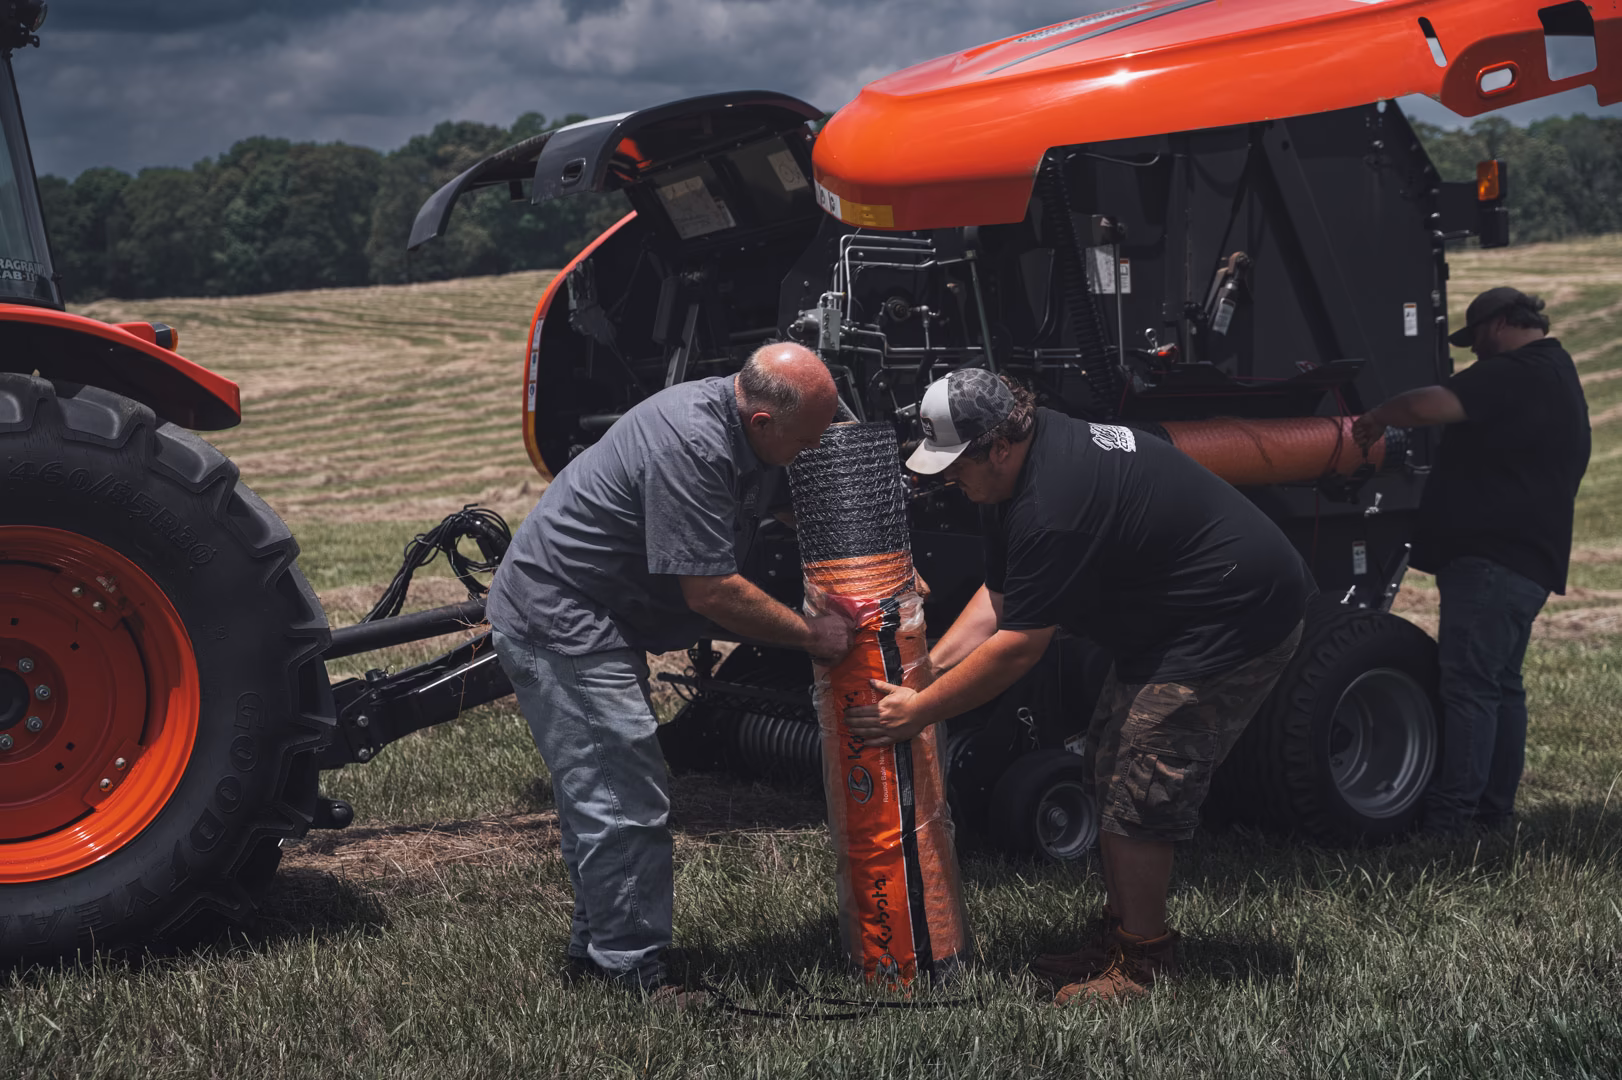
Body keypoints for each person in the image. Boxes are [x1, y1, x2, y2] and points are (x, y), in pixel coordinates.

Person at [845, 368, 1312, 1004]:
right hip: (1169, 622)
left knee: (1141, 780)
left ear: (999, 447)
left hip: (1232, 617)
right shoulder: (1010, 479)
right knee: (1106, 759)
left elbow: (1018, 649)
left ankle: (1145, 965)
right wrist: (927, 669)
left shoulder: (1053, 502)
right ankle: (1120, 936)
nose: (949, 478)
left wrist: (919, 710)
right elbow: (1003, 603)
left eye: (956, 464)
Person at [485, 342, 852, 1000]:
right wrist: (810, 636)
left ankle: (596, 954)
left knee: (600, 792)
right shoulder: (694, 443)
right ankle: (632, 974)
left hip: (597, 612)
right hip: (561, 614)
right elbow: (711, 591)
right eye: (806, 441)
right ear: (764, 423)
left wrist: (877, 560)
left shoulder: (752, 423)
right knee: (624, 796)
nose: (811, 452)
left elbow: (796, 503)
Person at [1353, 287, 1590, 836]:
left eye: (1477, 336)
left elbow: (1427, 405)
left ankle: (1451, 822)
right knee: (1500, 686)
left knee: (1469, 688)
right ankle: (1491, 814)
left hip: (1492, 561)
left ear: (1502, 322)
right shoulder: (1555, 372)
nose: (1475, 350)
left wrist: (1375, 417)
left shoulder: (1517, 370)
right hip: (1525, 560)